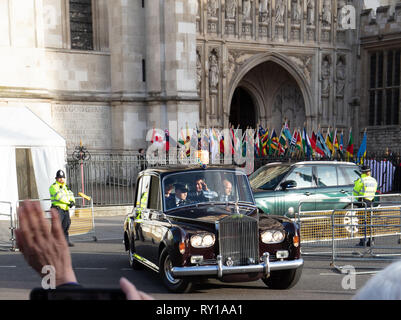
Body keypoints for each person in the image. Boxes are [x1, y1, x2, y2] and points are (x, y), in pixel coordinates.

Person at [15, 200, 153, 300]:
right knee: (63, 228)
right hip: (60, 209)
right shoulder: (56, 187)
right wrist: (62, 277)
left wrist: (59, 276)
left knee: (64, 228)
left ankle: (64, 240)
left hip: (64, 210)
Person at [49, 170, 75, 247]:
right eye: (59, 177)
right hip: (57, 209)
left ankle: (65, 241)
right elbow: (59, 197)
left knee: (66, 225)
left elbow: (71, 194)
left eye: (63, 177)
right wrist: (68, 202)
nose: (61, 179)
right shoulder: (53, 186)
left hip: (65, 209)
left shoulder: (65, 187)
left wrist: (72, 201)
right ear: (56, 178)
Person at [353, 165, 378, 246]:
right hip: (371, 202)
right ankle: (371, 241)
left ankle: (362, 241)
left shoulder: (361, 180)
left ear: (362, 172)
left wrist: (356, 199)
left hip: (363, 203)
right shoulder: (374, 180)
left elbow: (355, 192)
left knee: (362, 222)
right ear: (369, 172)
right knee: (370, 222)